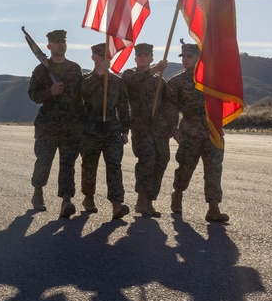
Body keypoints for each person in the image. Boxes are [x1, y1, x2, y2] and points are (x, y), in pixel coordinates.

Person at [165, 41, 230, 223]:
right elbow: (171, 108)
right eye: (183, 56)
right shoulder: (176, 82)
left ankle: (213, 208)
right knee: (185, 168)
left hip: (212, 131)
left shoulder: (212, 80)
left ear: (198, 58)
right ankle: (177, 193)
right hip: (190, 132)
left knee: (214, 170)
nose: (185, 59)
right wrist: (173, 128)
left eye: (189, 57)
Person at [27, 29, 84, 218]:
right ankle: (38, 192)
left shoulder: (75, 69)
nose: (61, 45)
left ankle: (66, 200)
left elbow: (81, 97)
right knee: (44, 161)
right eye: (57, 42)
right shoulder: (41, 69)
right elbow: (33, 95)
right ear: (49, 46)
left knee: (68, 164)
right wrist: (49, 92)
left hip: (71, 125)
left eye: (63, 41)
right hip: (48, 125)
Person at [79, 43, 131, 218]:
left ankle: (117, 204)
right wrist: (99, 73)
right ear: (93, 57)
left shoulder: (117, 82)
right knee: (89, 165)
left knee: (114, 165)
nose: (103, 60)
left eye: (105, 56)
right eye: (99, 56)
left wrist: (125, 129)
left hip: (112, 129)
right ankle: (88, 198)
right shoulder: (86, 79)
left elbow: (123, 107)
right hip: (91, 128)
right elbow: (83, 92)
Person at [121, 42, 171, 218]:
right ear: (135, 59)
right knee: (147, 159)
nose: (142, 57)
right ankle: (141, 200)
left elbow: (166, 106)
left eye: (146, 55)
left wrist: (171, 128)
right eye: (139, 55)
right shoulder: (129, 74)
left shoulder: (160, 81)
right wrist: (156, 69)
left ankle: (150, 200)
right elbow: (137, 81)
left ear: (151, 58)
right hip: (140, 124)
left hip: (158, 127)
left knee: (162, 159)